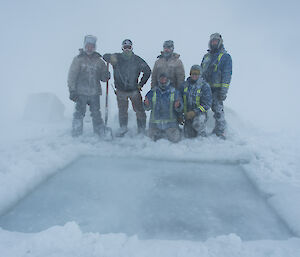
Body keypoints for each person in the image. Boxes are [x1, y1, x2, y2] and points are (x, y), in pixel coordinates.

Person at [103, 39, 151, 136]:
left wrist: (141, 84)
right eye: (125, 47)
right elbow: (105, 57)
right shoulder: (117, 58)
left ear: (132, 48)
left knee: (139, 110)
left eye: (129, 47)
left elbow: (147, 71)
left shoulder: (137, 60)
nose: (127, 49)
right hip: (121, 91)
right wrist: (108, 57)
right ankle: (123, 128)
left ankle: (141, 129)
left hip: (134, 90)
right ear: (122, 48)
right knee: (122, 111)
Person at [67, 35, 110, 137]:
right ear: (85, 46)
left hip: (94, 93)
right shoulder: (78, 59)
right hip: (81, 92)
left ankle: (99, 132)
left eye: (92, 46)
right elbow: (72, 76)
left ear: (94, 47)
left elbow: (103, 78)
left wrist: (106, 75)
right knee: (79, 113)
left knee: (96, 114)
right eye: (88, 46)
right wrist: (72, 90)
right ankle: (76, 133)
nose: (89, 48)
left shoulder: (99, 61)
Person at [200, 33, 232, 139]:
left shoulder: (225, 57)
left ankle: (221, 131)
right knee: (202, 110)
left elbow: (227, 74)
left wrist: (224, 90)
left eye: (216, 41)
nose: (214, 43)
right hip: (205, 89)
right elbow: (201, 72)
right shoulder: (206, 57)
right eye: (212, 41)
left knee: (218, 111)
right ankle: (200, 131)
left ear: (220, 42)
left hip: (217, 89)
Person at [144, 73, 182, 143]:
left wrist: (178, 106)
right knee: (149, 141)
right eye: (161, 79)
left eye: (164, 79)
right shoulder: (152, 92)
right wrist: (146, 104)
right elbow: (147, 108)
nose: (163, 80)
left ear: (168, 80)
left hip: (171, 125)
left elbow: (180, 108)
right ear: (158, 80)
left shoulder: (175, 92)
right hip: (155, 125)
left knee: (176, 140)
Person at [180, 65, 212, 138]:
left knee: (198, 123)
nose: (194, 75)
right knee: (188, 135)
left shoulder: (205, 86)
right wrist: (180, 114)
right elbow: (179, 100)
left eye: (196, 73)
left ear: (200, 74)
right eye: (192, 73)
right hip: (187, 115)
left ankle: (202, 136)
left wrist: (195, 112)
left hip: (199, 114)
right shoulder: (184, 85)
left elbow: (207, 104)